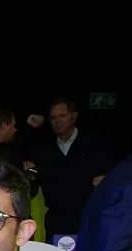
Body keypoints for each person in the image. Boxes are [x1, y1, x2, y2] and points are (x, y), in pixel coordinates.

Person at [31, 97, 113, 240]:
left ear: (73, 117)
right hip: (57, 223)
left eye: (62, 116)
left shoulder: (94, 145)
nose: (57, 121)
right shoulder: (43, 151)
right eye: (53, 118)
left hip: (88, 220)